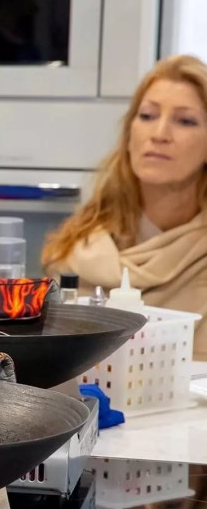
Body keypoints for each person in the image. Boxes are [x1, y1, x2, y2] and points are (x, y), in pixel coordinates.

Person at [43, 54, 207, 359]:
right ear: (129, 133)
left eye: (185, 121)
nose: (159, 134)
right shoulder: (78, 246)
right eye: (147, 116)